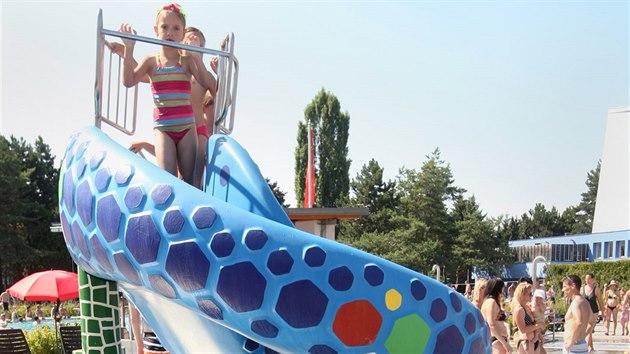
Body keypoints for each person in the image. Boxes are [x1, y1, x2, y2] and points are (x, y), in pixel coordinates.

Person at [120, 3, 215, 186]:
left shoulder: (186, 61)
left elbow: (205, 82)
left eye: (176, 28)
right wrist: (128, 49)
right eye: (165, 27)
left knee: (189, 180)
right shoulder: (151, 61)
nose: (170, 33)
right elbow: (128, 81)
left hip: (187, 127)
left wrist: (196, 56)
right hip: (163, 128)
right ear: (156, 30)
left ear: (182, 34)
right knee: (167, 177)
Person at [481, 278, 512, 354]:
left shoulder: (491, 301)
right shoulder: (491, 302)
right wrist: (505, 344)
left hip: (499, 339)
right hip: (497, 340)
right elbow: (491, 324)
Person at [512, 282, 545, 353]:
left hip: (533, 342)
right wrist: (538, 325)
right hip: (526, 342)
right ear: (522, 294)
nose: (532, 296)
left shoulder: (527, 307)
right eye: (530, 294)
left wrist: (539, 336)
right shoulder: (519, 309)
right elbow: (523, 329)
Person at [562, 275, 590, 354]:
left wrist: (571, 341)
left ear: (573, 286)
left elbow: (579, 322)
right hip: (582, 343)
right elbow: (592, 321)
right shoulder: (585, 302)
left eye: (565, 286)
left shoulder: (576, 303)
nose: (563, 289)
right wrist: (583, 335)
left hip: (573, 345)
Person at [581, 272, 604, 352]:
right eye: (586, 278)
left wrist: (603, 312)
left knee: (589, 330)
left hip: (594, 312)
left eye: (589, 279)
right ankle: (591, 347)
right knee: (587, 330)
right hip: (584, 312)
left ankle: (587, 348)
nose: (587, 280)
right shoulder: (582, 288)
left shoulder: (596, 289)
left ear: (592, 279)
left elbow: (600, 301)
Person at [531, 289, 547, 354]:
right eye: (536, 298)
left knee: (537, 331)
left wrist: (540, 305)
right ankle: (541, 339)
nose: (537, 300)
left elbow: (544, 310)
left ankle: (536, 337)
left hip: (540, 320)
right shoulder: (533, 304)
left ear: (542, 299)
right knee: (537, 332)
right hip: (535, 320)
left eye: (539, 298)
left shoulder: (542, 305)